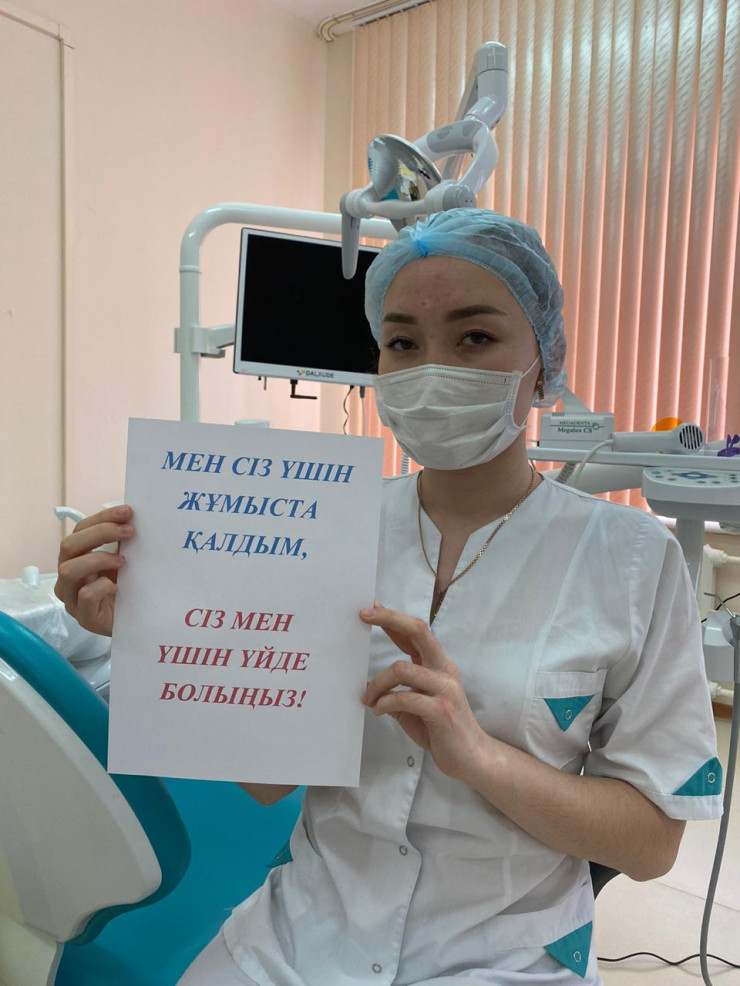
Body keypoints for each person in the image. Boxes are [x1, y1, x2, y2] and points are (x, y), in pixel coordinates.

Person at [55, 210, 723, 986]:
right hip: (302, 937)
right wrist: (158, 632)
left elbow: (652, 845)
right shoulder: (322, 529)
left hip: (502, 958)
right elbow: (268, 782)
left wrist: (480, 758)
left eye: (475, 337)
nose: (433, 369)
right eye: (403, 343)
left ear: (544, 365)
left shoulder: (630, 560)